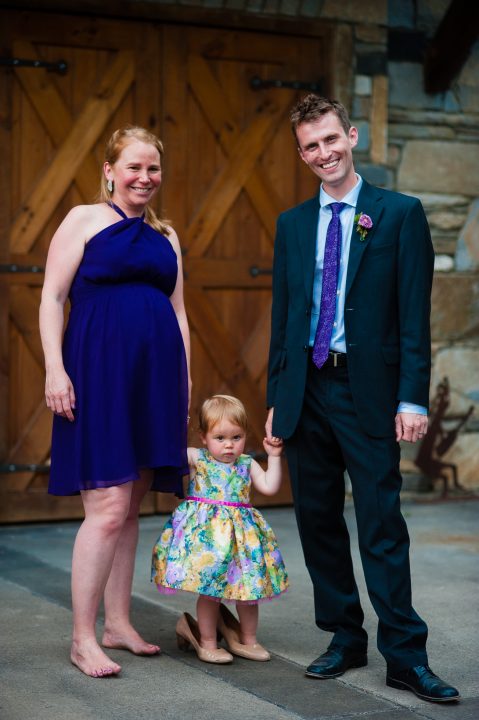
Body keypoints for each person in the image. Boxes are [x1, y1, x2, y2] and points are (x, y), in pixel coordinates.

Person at [265, 94, 459, 702]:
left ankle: (404, 654)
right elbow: (284, 318)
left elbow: (413, 320)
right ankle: (344, 637)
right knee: (318, 522)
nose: (323, 153)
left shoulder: (399, 214)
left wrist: (413, 399)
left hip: (367, 391)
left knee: (380, 524)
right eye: (310, 146)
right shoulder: (293, 224)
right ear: (302, 154)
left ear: (351, 136)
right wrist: (277, 395)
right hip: (306, 391)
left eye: (330, 139)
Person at [39, 125, 191, 678]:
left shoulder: (167, 236)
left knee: (132, 504)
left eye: (153, 169)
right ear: (109, 169)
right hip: (97, 372)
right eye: (133, 167)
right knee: (105, 507)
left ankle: (119, 623)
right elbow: (52, 297)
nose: (144, 178)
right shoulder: (83, 220)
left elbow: (178, 314)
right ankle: (82, 637)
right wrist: (55, 369)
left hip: (154, 377)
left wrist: (186, 383)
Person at [151, 394, 288, 664]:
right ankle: (208, 641)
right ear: (203, 437)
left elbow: (270, 487)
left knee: (249, 591)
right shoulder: (197, 458)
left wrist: (273, 457)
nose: (229, 446)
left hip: (242, 541)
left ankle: (248, 639)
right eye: (220, 438)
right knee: (209, 590)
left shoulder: (247, 464)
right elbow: (165, 449)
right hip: (207, 546)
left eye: (236, 438)